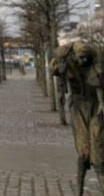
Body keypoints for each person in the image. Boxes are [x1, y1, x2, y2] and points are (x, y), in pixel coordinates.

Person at [53, 42, 104, 196]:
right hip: (78, 107)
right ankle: (79, 190)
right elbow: (55, 69)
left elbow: (99, 82)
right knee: (83, 150)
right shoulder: (66, 60)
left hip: (96, 107)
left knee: (98, 149)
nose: (82, 61)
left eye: (84, 58)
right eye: (80, 58)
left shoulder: (96, 60)